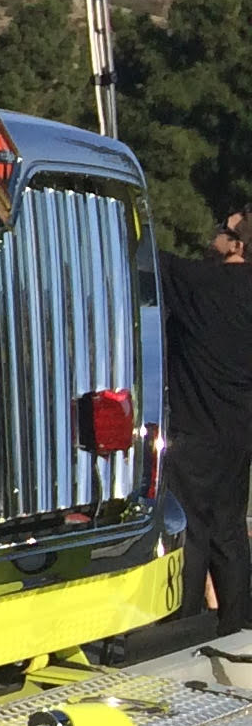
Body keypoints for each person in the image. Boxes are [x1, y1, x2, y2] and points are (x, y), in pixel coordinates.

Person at [159, 202, 252, 632]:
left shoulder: (202, 283)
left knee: (192, 530)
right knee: (229, 531)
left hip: (194, 430)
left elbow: (154, 261)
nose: (212, 235)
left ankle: (185, 626)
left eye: (222, 228)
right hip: (239, 434)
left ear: (237, 244)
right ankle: (237, 627)